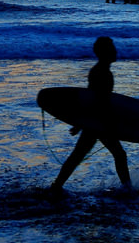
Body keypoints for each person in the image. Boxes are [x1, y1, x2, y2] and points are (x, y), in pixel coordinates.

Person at [50, 37, 131, 192]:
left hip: (94, 121)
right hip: (99, 122)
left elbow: (90, 100)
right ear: (105, 52)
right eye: (112, 49)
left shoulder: (101, 70)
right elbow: (98, 102)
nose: (116, 51)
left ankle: (56, 186)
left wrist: (80, 123)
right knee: (119, 155)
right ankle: (128, 189)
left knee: (78, 156)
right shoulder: (102, 73)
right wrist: (84, 123)